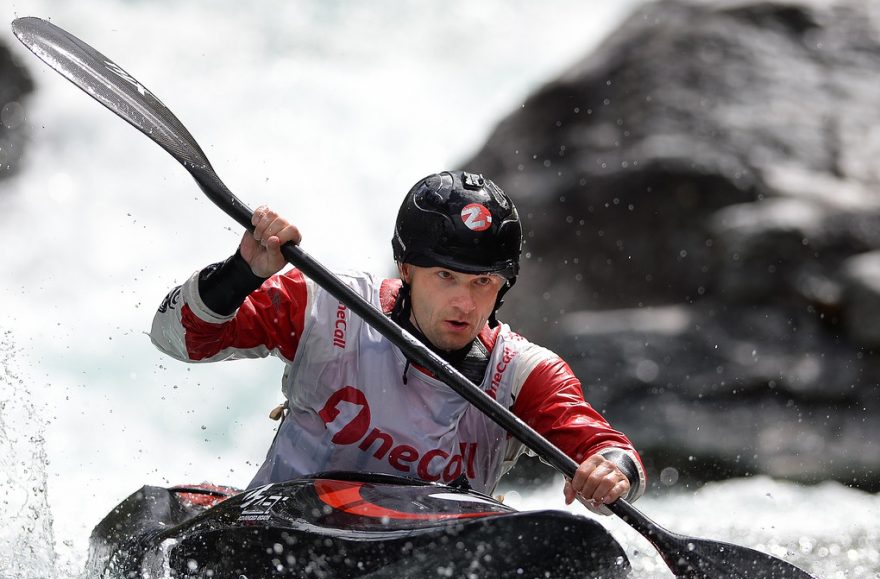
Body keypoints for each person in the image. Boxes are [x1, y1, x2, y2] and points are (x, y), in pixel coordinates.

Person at [150, 170, 645, 512]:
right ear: (406, 269)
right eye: (446, 277)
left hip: (425, 550)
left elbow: (608, 448)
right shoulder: (327, 305)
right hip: (287, 521)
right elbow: (175, 339)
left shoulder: (525, 373)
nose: (465, 305)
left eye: (483, 284)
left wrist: (609, 471)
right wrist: (242, 273)